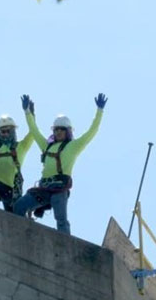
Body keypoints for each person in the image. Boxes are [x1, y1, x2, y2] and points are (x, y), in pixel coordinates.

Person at [13, 93, 107, 234]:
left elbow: (91, 132)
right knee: (19, 206)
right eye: (56, 129)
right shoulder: (47, 146)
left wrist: (99, 111)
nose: (58, 132)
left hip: (59, 188)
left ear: (67, 131)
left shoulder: (73, 146)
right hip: (44, 188)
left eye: (61, 129)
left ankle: (65, 245)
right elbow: (34, 130)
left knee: (61, 220)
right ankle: (19, 232)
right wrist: (27, 112)